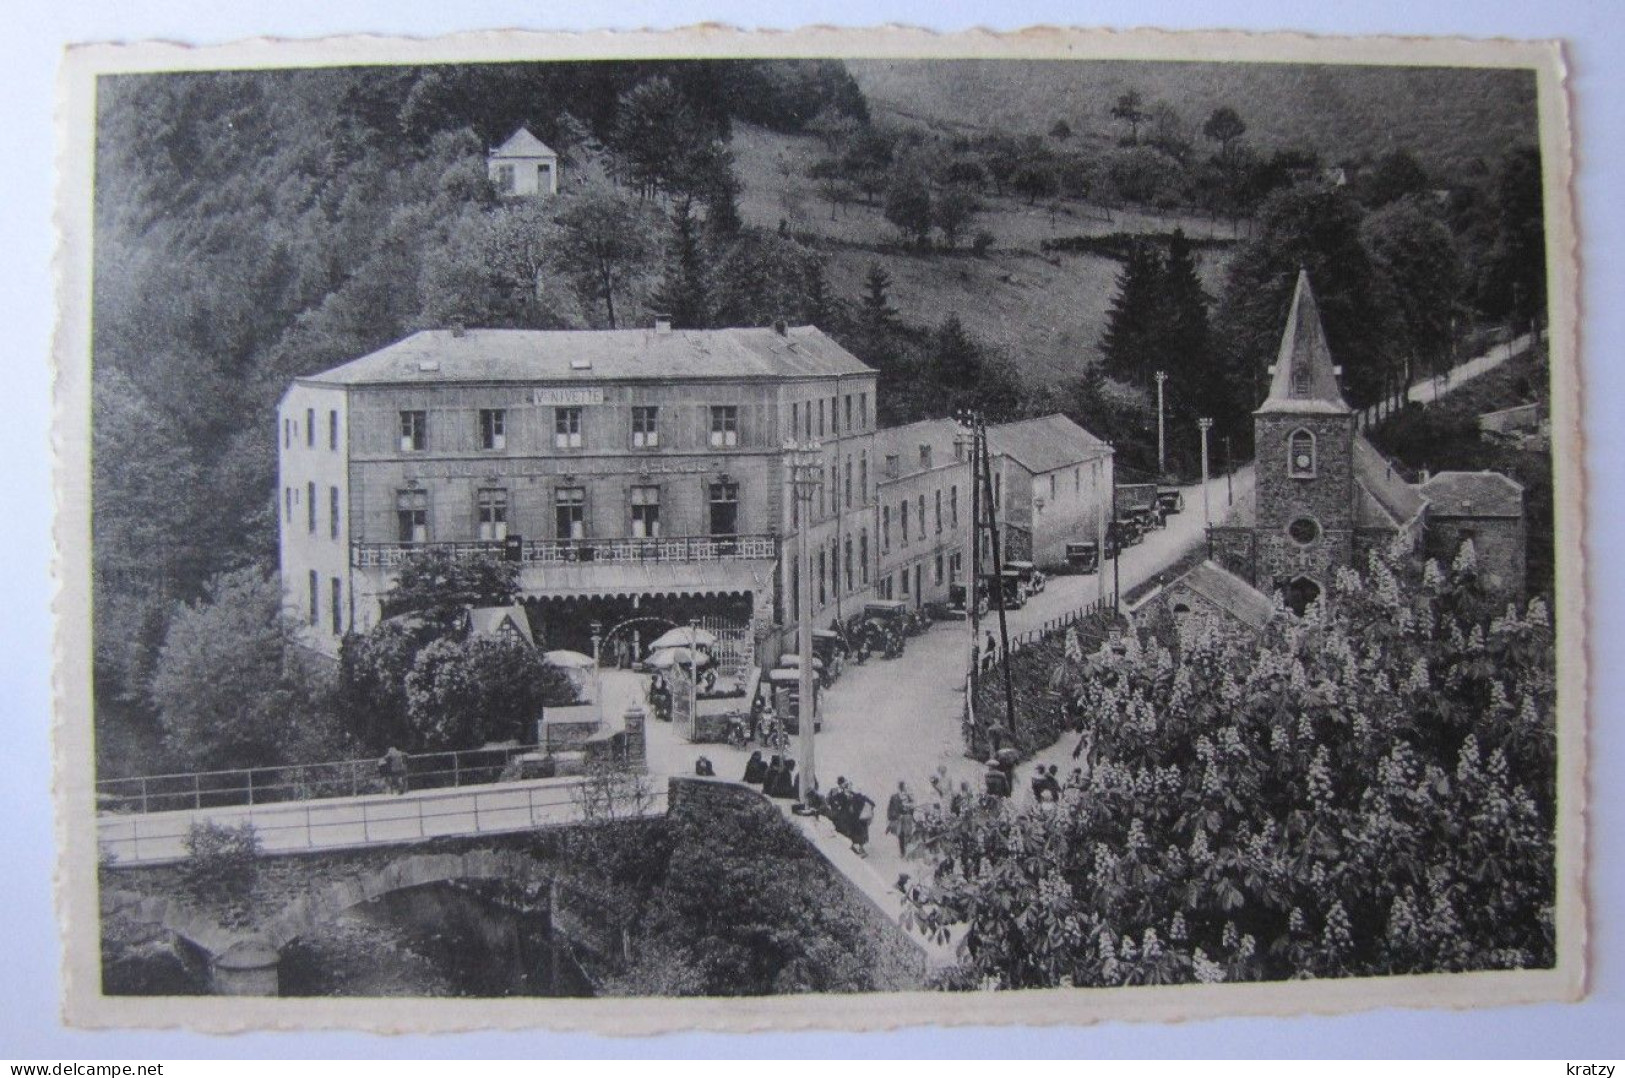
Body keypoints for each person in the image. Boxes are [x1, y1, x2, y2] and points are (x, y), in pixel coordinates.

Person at [887, 781, 916, 857]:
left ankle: (906, 851)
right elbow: (890, 808)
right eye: (904, 787)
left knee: (907, 834)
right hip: (899, 819)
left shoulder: (908, 796)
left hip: (907, 818)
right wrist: (892, 817)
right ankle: (903, 852)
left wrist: (910, 810)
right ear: (901, 787)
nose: (905, 788)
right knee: (901, 835)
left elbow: (913, 806)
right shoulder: (894, 797)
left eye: (905, 787)